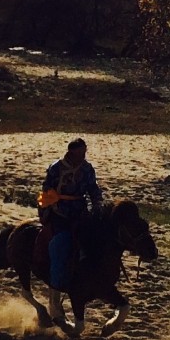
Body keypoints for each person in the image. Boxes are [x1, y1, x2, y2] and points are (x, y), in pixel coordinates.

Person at [38, 138, 105, 323]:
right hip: (60, 212)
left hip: (80, 211)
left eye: (85, 152)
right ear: (71, 152)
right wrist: (45, 210)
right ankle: (56, 288)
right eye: (80, 152)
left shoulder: (87, 169)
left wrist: (97, 202)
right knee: (61, 244)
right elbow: (47, 190)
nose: (83, 156)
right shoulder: (56, 168)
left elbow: (93, 189)